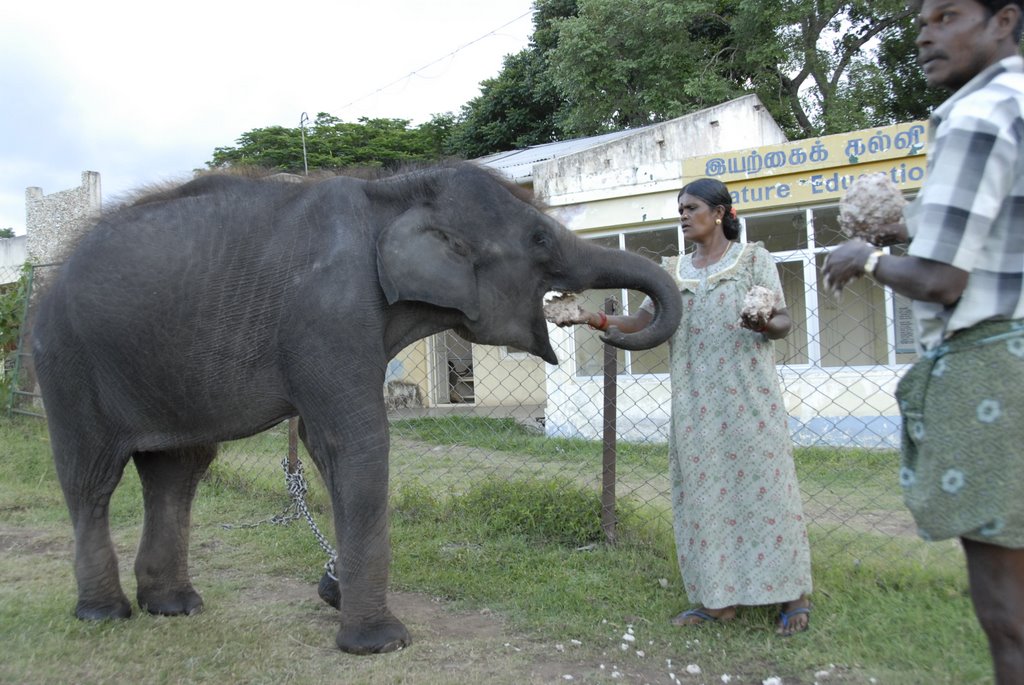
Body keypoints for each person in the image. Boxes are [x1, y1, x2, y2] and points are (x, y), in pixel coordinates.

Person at [822, 1, 1024, 681]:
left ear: (1004, 20)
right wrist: (904, 232)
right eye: (920, 21)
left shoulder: (977, 113)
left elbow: (944, 279)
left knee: (1008, 607)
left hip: (996, 367)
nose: (926, 34)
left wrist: (865, 258)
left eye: (947, 14)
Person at [571, 178, 813, 636]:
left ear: (720, 213)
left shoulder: (753, 261)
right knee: (706, 500)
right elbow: (643, 322)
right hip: (696, 404)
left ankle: (792, 596)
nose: (683, 215)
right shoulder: (673, 273)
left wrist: (765, 323)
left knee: (768, 491)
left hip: (749, 399)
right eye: (680, 208)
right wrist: (594, 317)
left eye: (692, 207)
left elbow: (781, 319)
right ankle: (719, 601)